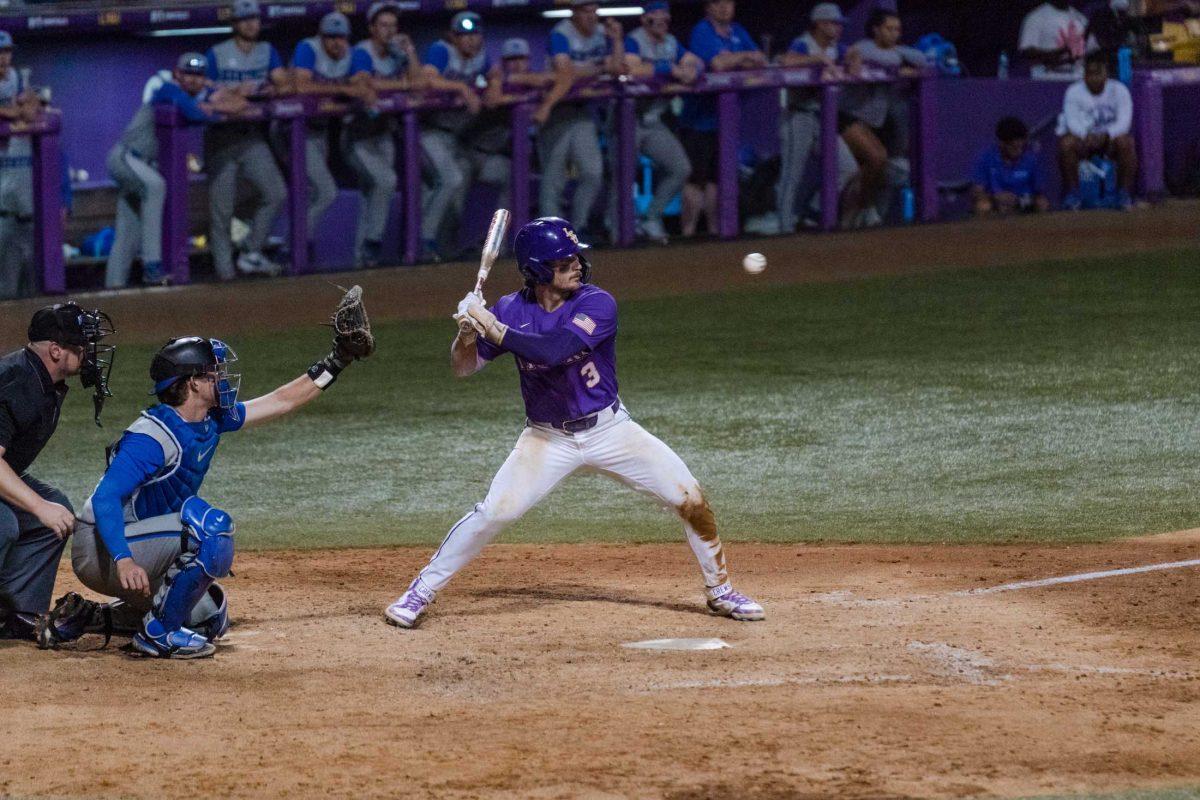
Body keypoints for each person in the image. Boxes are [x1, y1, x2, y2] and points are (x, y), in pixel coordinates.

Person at [384, 217, 764, 629]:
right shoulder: (512, 309)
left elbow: (556, 349)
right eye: (564, 261)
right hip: (547, 439)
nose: (576, 265)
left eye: (575, 257)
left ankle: (720, 591)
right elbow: (463, 368)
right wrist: (468, 336)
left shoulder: (597, 303)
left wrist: (493, 328)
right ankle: (419, 592)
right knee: (495, 512)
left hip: (611, 431)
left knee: (689, 497)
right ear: (537, 269)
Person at [38, 291, 375, 658]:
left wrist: (337, 361)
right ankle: (155, 636)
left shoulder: (210, 420)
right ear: (193, 382)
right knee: (211, 529)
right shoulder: (152, 436)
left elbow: (282, 400)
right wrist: (123, 559)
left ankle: (91, 618)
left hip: (142, 540)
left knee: (208, 617)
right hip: (102, 545)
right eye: (213, 372)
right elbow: (105, 498)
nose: (222, 378)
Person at [0, 304, 114, 641]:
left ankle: (15, 613)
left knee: (56, 508)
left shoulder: (41, 379)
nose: (90, 355)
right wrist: (36, 506)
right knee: (6, 523)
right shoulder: (15, 382)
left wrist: (42, 507)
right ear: (54, 350)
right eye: (81, 348)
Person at [105, 53, 247, 290]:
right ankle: (153, 267)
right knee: (156, 186)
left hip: (141, 165)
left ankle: (113, 288)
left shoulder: (198, 94)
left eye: (199, 75)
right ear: (177, 74)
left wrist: (216, 100)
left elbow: (241, 104)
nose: (193, 79)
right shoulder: (167, 89)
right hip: (126, 157)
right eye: (188, 74)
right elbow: (194, 113)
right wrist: (215, 105)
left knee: (128, 231)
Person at [204, 0, 289, 280]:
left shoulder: (267, 51)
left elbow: (283, 84)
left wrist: (246, 91)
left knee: (276, 192)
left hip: (251, 136)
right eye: (245, 19)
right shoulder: (217, 53)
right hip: (221, 138)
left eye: (255, 18)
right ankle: (225, 274)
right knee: (222, 212)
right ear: (235, 23)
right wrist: (249, 91)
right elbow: (210, 96)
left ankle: (251, 252)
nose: (252, 24)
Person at [537, 0, 627, 236]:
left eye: (594, 10)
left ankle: (577, 227)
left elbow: (618, 68)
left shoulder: (601, 33)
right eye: (585, 11)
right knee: (553, 178)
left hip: (582, 112)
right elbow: (565, 73)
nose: (591, 16)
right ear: (574, 12)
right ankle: (550, 235)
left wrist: (617, 40)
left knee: (593, 172)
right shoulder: (560, 33)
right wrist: (599, 67)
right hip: (556, 110)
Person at [678, 0, 765, 237]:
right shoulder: (702, 30)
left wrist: (735, 57)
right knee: (696, 178)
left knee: (718, 177)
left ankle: (717, 232)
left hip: (724, 120)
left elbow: (760, 60)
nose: (724, 7)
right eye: (718, 3)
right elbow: (716, 64)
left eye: (728, 2)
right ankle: (687, 233)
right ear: (708, 7)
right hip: (697, 118)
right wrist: (740, 59)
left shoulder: (737, 31)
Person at [346, 1, 423, 267]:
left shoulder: (397, 54)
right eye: (383, 25)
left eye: (393, 25)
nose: (389, 31)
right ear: (371, 28)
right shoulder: (361, 51)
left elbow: (419, 84)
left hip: (383, 133)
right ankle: (372, 243)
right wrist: (401, 84)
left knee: (375, 190)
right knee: (385, 181)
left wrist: (410, 52)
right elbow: (367, 84)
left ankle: (362, 256)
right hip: (356, 133)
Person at [292, 12, 374, 258]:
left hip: (321, 132)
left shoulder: (353, 54)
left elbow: (364, 89)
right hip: (293, 130)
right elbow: (301, 87)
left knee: (315, 191)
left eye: (341, 37)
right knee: (325, 190)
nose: (336, 43)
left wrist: (340, 96)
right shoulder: (308, 48)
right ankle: (300, 245)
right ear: (321, 37)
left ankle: (296, 247)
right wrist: (341, 89)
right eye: (330, 37)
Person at [776, 2, 861, 233]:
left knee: (847, 168)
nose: (838, 28)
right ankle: (783, 228)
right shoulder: (804, 43)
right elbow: (787, 61)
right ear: (819, 24)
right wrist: (817, 59)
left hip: (822, 118)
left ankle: (812, 211)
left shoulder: (836, 47)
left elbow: (852, 52)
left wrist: (854, 57)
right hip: (797, 115)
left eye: (839, 24)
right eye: (834, 23)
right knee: (792, 175)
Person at [840, 9, 927, 227]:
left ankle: (862, 209)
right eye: (889, 29)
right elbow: (873, 56)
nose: (895, 33)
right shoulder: (863, 47)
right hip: (845, 116)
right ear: (876, 30)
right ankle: (850, 213)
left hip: (868, 122)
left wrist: (898, 57)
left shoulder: (896, 51)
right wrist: (900, 64)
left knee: (877, 165)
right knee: (876, 159)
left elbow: (922, 59)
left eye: (897, 29)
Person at [623, 1, 700, 244]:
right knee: (623, 177)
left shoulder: (670, 42)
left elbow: (695, 61)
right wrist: (670, 69)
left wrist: (691, 70)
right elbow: (632, 69)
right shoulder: (633, 40)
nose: (663, 24)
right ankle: (617, 232)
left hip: (653, 119)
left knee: (680, 168)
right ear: (646, 19)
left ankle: (651, 217)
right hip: (627, 118)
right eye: (658, 19)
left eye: (666, 19)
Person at [419, 11, 488, 261]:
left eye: (473, 35)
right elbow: (428, 80)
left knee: (452, 186)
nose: (469, 40)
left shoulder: (480, 58)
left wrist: (495, 87)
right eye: (462, 35)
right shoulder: (441, 51)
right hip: (427, 132)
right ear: (453, 37)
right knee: (450, 179)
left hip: (454, 138)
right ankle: (423, 242)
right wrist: (461, 87)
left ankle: (441, 244)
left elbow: (496, 75)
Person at [1057, 52, 1136, 210]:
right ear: (1084, 74)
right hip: (1084, 141)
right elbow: (1072, 122)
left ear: (1105, 73)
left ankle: (1123, 194)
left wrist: (1106, 135)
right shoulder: (1073, 91)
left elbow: (1124, 122)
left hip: (1109, 141)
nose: (1093, 78)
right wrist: (1087, 135)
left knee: (1126, 142)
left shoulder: (1119, 90)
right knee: (1066, 144)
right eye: (1089, 74)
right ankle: (1073, 194)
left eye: (1097, 73)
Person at [0, 31, 40, 300]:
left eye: (6, 51)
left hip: (19, 199)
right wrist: (14, 112)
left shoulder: (14, 77)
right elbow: (15, 112)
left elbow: (30, 106)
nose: (3, 58)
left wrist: (25, 108)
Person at [970, 116, 1050, 215]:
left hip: (1023, 201)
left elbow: (1040, 193)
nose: (1019, 151)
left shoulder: (1031, 159)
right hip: (995, 202)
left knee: (1042, 204)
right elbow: (977, 191)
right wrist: (996, 197)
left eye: (1022, 147)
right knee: (983, 206)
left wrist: (1020, 199)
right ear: (1001, 143)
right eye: (1014, 147)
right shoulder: (985, 158)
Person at [1019, 0, 1097, 81]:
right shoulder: (1036, 17)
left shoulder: (1080, 18)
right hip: (1046, 79)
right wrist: (1062, 52)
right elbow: (1027, 52)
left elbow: (1093, 50)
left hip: (1077, 78)